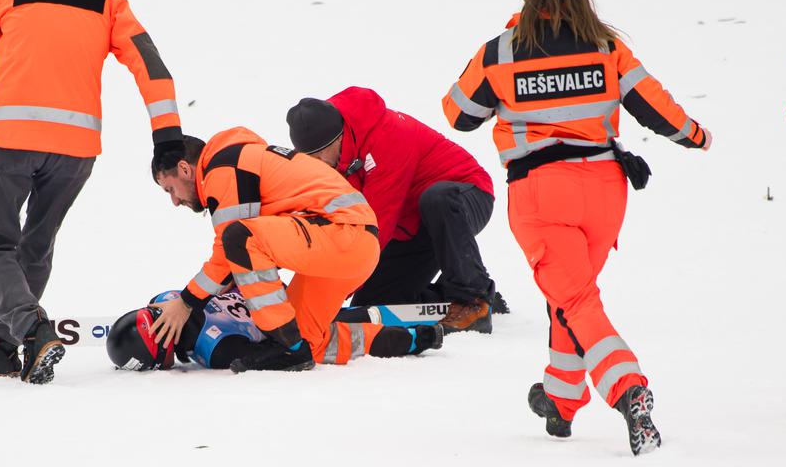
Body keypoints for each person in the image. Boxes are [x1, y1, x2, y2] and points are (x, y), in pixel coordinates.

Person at [442, 0, 712, 455]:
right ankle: (561, 400)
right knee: (569, 296)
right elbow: (655, 106)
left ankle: (628, 388)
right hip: (606, 190)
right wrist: (696, 135)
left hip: (543, 192)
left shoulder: (501, 51)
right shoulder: (605, 46)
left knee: (578, 300)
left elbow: (458, 113)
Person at [0, 0, 186, 384]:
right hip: (76, 149)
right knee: (36, 243)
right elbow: (153, 71)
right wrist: (167, 139)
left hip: (12, 138)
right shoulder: (107, 1)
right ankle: (2, 344)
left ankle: (32, 330)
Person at [148, 129, 442, 368]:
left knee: (238, 239)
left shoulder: (222, 167)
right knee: (308, 343)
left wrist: (186, 302)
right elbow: (251, 254)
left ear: (185, 169)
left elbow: (232, 246)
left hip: (342, 234)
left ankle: (286, 346)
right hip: (348, 247)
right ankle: (411, 339)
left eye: (170, 189)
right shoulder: (242, 161)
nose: (174, 201)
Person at [286, 86, 500, 333]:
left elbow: (374, 225)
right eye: (311, 158)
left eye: (323, 153)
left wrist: (337, 287)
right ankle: (450, 297)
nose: (321, 163)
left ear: (340, 136)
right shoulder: (334, 153)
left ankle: (474, 299)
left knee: (437, 199)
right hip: (410, 223)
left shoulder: (387, 137)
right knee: (372, 305)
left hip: (466, 197)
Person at [106, 290, 443, 372]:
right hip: (283, 296)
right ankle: (420, 313)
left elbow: (268, 357)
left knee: (350, 339)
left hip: (292, 327)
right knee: (348, 313)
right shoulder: (168, 300)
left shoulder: (215, 351)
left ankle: (419, 339)